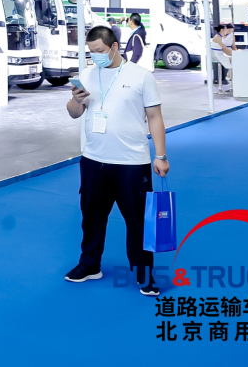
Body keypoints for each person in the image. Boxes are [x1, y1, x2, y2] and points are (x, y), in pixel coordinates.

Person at [64, 25, 169, 296]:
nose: (95, 56)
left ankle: (144, 273)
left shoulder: (141, 76)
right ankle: (89, 264)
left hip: (132, 162)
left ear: (114, 47)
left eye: (99, 50)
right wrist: (75, 99)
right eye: (91, 52)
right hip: (93, 159)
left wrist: (160, 155)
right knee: (91, 217)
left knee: (137, 220)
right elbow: (74, 113)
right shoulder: (87, 74)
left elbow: (155, 117)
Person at [211, 23, 234, 93]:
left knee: (234, 59)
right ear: (222, 30)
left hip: (221, 53)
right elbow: (224, 48)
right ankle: (229, 75)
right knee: (234, 59)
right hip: (217, 55)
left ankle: (230, 75)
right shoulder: (218, 37)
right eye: (227, 29)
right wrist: (234, 53)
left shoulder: (220, 36)